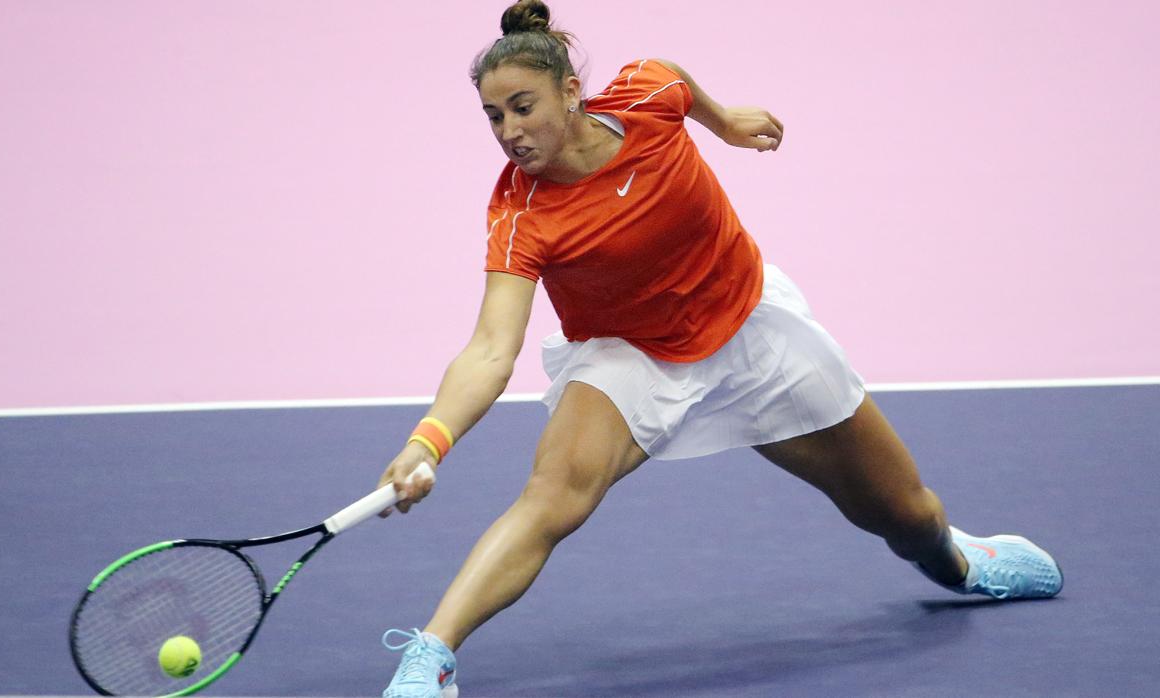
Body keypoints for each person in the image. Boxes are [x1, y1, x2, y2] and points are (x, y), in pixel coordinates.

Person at [374, 2, 1063, 696]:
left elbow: (674, 77)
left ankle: (962, 563)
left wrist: (724, 120)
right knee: (552, 497)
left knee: (907, 515)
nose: (510, 132)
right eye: (494, 117)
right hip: (631, 357)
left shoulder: (646, 96)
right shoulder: (522, 215)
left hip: (751, 331)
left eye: (523, 107)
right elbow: (492, 349)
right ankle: (430, 655)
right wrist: (429, 442)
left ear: (570, 92)